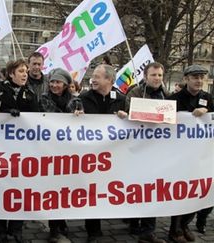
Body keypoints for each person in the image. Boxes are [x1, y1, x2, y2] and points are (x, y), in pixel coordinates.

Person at [0, 59, 38, 243]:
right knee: (1, 190)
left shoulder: (30, 93)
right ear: (11, 73)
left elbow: (38, 119)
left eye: (26, 71)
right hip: (0, 150)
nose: (25, 74)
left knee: (20, 191)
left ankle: (16, 229)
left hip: (22, 152)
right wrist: (6, 113)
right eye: (21, 71)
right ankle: (0, 230)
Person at [76, 64, 126, 242]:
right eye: (93, 76)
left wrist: (126, 116)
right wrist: (75, 115)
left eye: (97, 76)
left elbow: (132, 124)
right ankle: (93, 231)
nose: (93, 79)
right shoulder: (84, 97)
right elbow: (70, 115)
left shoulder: (121, 99)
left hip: (114, 157)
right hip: (91, 157)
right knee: (92, 192)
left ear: (110, 81)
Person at [168, 64, 214, 243]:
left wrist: (208, 112)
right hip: (179, 155)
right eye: (195, 77)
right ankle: (175, 229)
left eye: (201, 77)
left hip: (200, 154)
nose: (199, 81)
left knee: (197, 191)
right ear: (186, 79)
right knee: (180, 192)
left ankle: (186, 224)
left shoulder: (207, 98)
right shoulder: (174, 99)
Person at [125, 62, 168, 243]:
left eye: (159, 75)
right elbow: (129, 116)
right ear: (145, 76)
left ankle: (148, 231)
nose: (157, 78)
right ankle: (134, 222)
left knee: (153, 190)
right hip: (136, 149)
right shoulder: (134, 93)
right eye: (153, 75)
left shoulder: (166, 95)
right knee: (136, 188)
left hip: (156, 150)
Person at [38, 68, 81, 243]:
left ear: (65, 84)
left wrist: (80, 116)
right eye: (52, 82)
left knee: (64, 189)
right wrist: (69, 118)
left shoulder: (75, 100)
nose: (55, 85)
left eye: (58, 82)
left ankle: (61, 220)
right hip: (49, 150)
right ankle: (54, 229)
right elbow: (54, 118)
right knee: (52, 189)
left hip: (68, 151)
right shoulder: (43, 98)